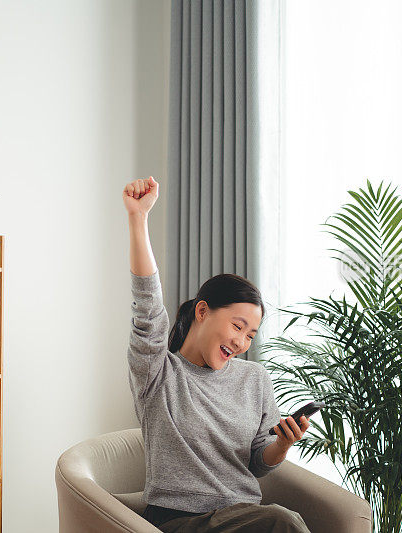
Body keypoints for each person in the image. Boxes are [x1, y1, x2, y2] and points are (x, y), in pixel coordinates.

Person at [123, 176, 312, 533]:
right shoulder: (158, 373)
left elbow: (258, 460)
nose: (243, 342)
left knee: (276, 521)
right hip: (179, 521)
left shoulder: (254, 379)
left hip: (241, 517)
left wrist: (283, 445)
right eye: (238, 326)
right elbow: (147, 306)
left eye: (251, 335)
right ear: (203, 311)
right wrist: (138, 218)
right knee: (283, 522)